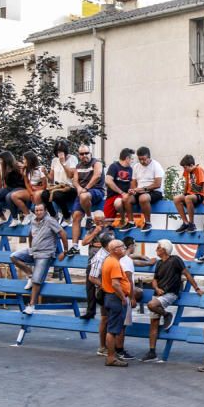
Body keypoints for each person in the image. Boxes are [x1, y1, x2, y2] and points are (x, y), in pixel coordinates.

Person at [142, 238, 204, 362]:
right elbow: (155, 279)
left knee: (151, 304)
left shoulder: (175, 260)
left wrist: (197, 288)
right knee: (153, 324)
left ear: (164, 249)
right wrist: (156, 287)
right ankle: (152, 352)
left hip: (170, 294)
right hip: (159, 293)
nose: (156, 249)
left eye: (158, 247)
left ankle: (167, 315)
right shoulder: (159, 263)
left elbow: (187, 274)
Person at [10, 203, 68, 315]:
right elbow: (30, 235)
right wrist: (30, 248)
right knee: (13, 256)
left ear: (45, 210)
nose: (38, 212)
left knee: (37, 280)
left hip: (45, 254)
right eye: (36, 210)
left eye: (41, 210)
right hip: (34, 251)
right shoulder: (33, 220)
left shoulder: (50, 220)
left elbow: (62, 233)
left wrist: (65, 251)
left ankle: (31, 305)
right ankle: (30, 275)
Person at [100, 239, 133, 367]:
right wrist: (123, 298)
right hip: (115, 298)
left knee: (112, 328)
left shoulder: (109, 260)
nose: (124, 248)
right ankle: (111, 357)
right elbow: (115, 284)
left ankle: (111, 356)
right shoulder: (114, 263)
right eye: (122, 247)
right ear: (115, 250)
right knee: (113, 330)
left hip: (110, 297)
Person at [120, 146, 164, 232]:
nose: (142, 162)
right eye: (140, 159)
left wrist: (143, 189)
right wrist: (132, 190)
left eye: (144, 159)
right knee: (126, 198)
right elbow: (133, 181)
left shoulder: (156, 165)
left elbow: (157, 184)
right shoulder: (136, 166)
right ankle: (131, 222)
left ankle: (148, 223)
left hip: (155, 191)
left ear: (149, 157)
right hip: (140, 191)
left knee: (143, 198)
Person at [68, 145, 104, 243]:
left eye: (86, 153)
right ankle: (74, 246)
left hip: (96, 191)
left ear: (90, 153)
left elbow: (97, 175)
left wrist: (86, 188)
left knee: (84, 196)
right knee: (76, 216)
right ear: (79, 156)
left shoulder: (96, 163)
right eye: (82, 154)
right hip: (83, 192)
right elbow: (75, 181)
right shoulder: (78, 166)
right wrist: (79, 188)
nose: (84, 155)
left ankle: (89, 217)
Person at [0, 151, 25, 228]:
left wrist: (23, 168)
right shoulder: (4, 168)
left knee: (8, 197)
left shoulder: (17, 166)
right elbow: (5, 182)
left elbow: (25, 175)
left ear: (6, 159)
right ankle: (2, 217)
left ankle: (15, 219)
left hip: (19, 188)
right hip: (9, 188)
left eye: (1, 159)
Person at [44, 140, 77, 227]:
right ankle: (54, 216)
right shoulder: (54, 160)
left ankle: (67, 217)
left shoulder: (73, 158)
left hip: (69, 187)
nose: (60, 154)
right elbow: (51, 178)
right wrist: (45, 173)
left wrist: (63, 163)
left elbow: (70, 175)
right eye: (58, 152)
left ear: (65, 151)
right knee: (44, 194)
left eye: (61, 151)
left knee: (57, 195)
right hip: (57, 187)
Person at [173, 154, 204, 233]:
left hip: (200, 194)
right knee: (176, 198)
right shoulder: (187, 171)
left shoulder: (199, 170)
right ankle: (185, 223)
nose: (184, 169)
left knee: (187, 198)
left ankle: (191, 224)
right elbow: (186, 183)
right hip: (189, 194)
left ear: (191, 165)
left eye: (185, 167)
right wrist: (184, 193)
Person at [104, 148, 134, 227]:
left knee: (118, 202)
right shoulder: (114, 166)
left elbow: (131, 183)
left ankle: (123, 219)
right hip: (112, 196)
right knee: (107, 223)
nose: (133, 161)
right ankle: (109, 233)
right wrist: (121, 192)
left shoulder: (130, 169)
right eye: (132, 159)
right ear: (127, 159)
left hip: (125, 198)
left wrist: (131, 192)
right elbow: (108, 180)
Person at [16, 151, 48, 225]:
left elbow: (45, 185)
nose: (23, 161)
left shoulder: (40, 169)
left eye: (24, 159)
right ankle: (28, 214)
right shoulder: (26, 169)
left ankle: (40, 219)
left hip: (40, 189)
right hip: (31, 189)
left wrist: (35, 190)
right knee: (14, 196)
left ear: (29, 160)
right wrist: (31, 192)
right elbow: (26, 183)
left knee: (36, 196)